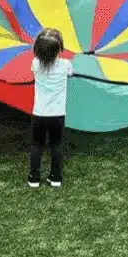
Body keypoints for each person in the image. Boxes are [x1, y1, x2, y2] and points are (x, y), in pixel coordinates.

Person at [28, 28, 72, 188]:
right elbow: (71, 73)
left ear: (37, 51)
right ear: (60, 50)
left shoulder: (35, 64)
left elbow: (35, 69)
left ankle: (34, 178)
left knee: (36, 145)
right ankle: (56, 177)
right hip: (57, 115)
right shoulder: (65, 65)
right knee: (56, 145)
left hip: (39, 114)